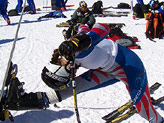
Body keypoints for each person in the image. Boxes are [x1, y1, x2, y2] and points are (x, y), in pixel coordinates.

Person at [1, 23, 163, 123]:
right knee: (72, 89)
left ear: (67, 70)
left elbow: (104, 27)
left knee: (144, 110)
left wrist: (87, 38)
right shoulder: (64, 56)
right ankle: (25, 100)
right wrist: (80, 26)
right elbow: (83, 28)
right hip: (105, 69)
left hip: (129, 68)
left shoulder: (78, 51)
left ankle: (158, 120)